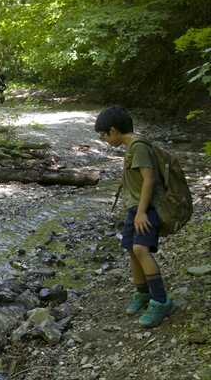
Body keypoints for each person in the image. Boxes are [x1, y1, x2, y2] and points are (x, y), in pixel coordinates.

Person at [95, 105, 177, 327]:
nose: (105, 140)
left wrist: (141, 212)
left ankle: (161, 302)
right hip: (135, 208)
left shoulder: (138, 145)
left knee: (141, 250)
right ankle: (143, 294)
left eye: (103, 136)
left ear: (113, 130)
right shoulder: (131, 145)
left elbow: (149, 179)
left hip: (146, 208)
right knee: (132, 250)